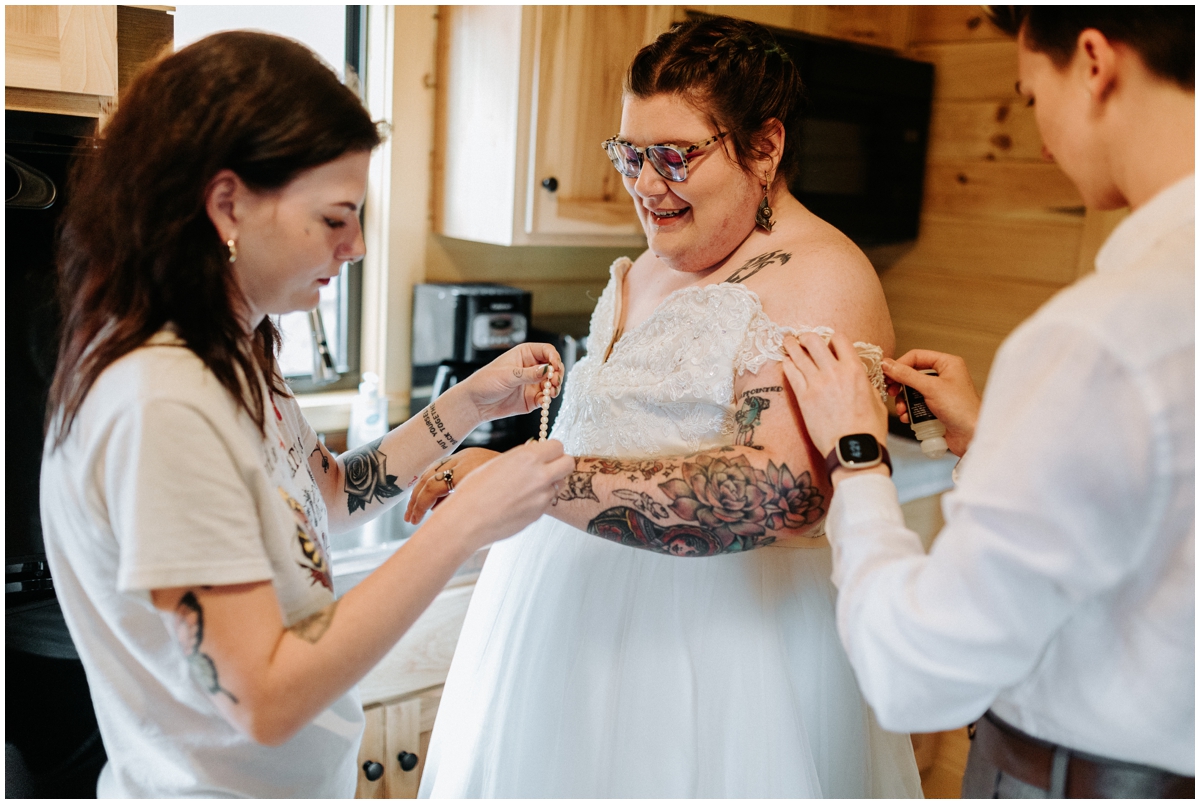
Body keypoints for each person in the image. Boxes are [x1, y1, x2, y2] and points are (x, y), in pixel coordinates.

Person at [39, 32, 575, 798]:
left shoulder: (238, 351)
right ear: (228, 204)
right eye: (334, 218)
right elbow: (265, 696)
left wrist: (464, 406)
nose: (355, 245)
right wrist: (466, 526)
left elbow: (325, 495)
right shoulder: (160, 403)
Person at [410, 16, 921, 798]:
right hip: (558, 635)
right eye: (630, 155)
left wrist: (529, 481)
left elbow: (780, 498)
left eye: (676, 155)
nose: (647, 184)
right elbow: (602, 436)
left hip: (718, 665)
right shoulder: (654, 259)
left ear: (765, 146)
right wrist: (493, 466)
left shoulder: (821, 277)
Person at [780, 6, 1193, 798]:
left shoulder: (1104, 334)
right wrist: (1001, 439)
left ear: (1096, 62)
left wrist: (855, 455)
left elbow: (915, 673)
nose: (1040, 138)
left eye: (1032, 95)